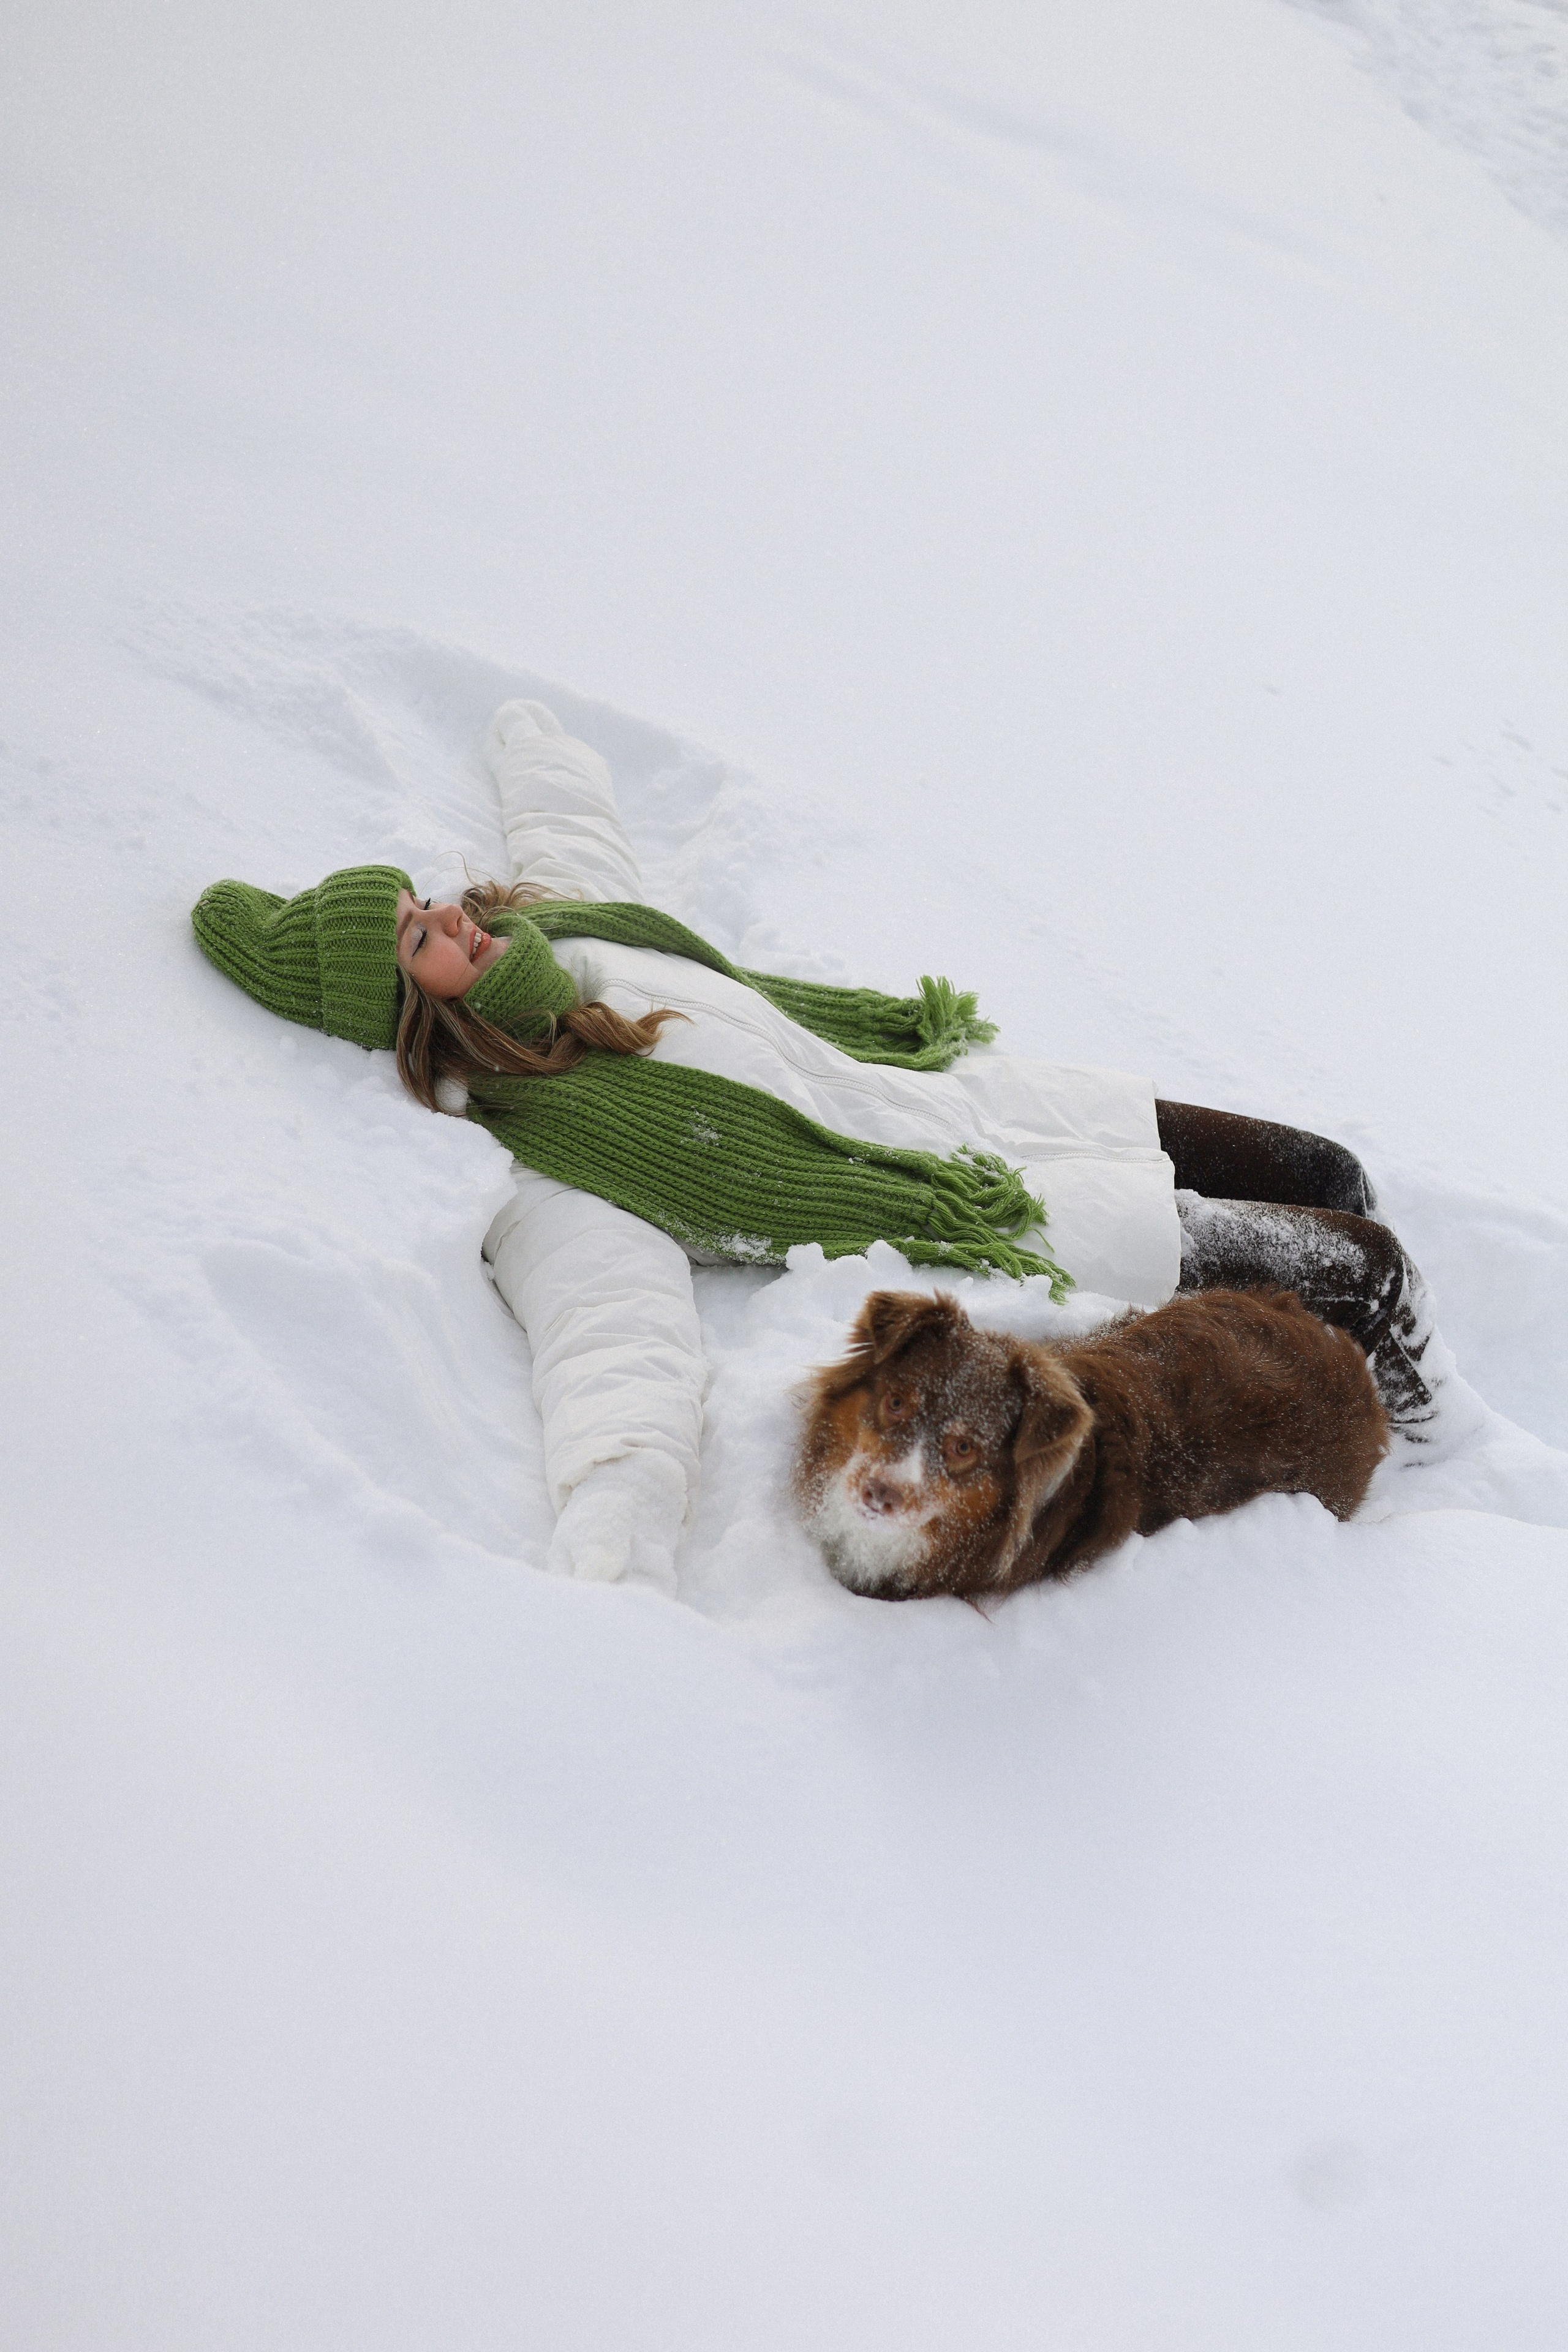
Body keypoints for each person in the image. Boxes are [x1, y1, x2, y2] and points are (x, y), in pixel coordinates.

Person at [192, 699, 1469, 1593]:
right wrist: (617, 1520)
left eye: (420, 900)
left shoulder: (580, 938)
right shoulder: (550, 1151)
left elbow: (569, 840)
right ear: (413, 1006)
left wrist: (537, 748)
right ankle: (1439, 1444)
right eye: (417, 937)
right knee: (1357, 1262)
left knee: (1320, 1172)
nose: (444, 918)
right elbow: (610, 1338)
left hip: (979, 1100)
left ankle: (1391, 1394)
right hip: (989, 1209)